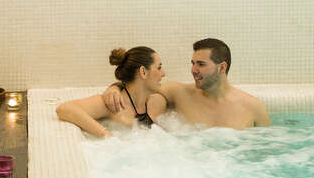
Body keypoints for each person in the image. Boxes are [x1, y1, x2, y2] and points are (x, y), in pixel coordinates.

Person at [102, 38, 270, 129]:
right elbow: (140, 88)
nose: (193, 70)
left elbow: (267, 152)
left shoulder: (253, 107)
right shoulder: (178, 92)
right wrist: (115, 87)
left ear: (222, 68)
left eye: (201, 64)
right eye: (193, 63)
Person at [55, 46, 167, 138]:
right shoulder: (115, 104)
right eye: (159, 68)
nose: (163, 74)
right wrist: (106, 136)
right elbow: (65, 109)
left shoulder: (159, 101)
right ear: (143, 72)